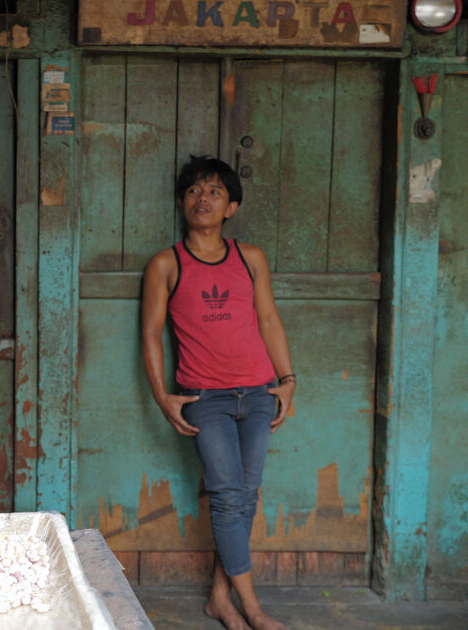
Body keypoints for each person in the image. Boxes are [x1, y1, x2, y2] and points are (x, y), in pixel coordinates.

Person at [141, 156, 295, 630]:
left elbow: (268, 319)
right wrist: (163, 396)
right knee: (229, 496)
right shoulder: (167, 264)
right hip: (205, 398)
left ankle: (219, 599)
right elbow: (150, 334)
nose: (201, 199)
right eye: (192, 191)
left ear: (231, 206)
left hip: (258, 392)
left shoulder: (250, 258)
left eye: (213, 192)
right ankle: (252, 609)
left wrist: (288, 380)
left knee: (244, 497)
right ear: (181, 202)